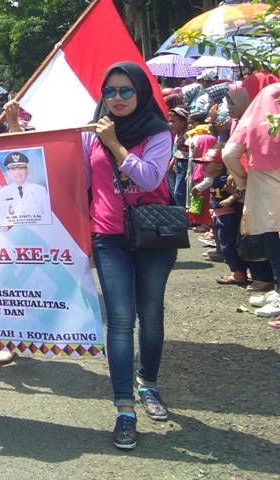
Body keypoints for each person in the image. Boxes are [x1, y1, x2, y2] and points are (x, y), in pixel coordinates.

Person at [83, 61, 175, 450]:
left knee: (151, 315)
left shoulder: (158, 132)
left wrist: (116, 145)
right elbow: (74, 177)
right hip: (109, 237)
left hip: (155, 236)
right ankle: (124, 408)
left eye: (125, 90)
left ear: (141, 92)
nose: (117, 98)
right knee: (120, 320)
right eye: (110, 91)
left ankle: (148, 384)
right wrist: (16, 129)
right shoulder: (90, 135)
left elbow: (150, 177)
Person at [222, 73, 280, 321]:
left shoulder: (256, 116)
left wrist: (243, 179)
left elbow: (229, 154)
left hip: (267, 194)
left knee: (274, 245)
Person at [0, 152, 48, 227]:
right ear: (8, 173)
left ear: (27, 171)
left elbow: (48, 216)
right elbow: (0, 221)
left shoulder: (40, 190)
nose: (18, 172)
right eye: (13, 169)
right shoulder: (1, 193)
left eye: (21, 168)